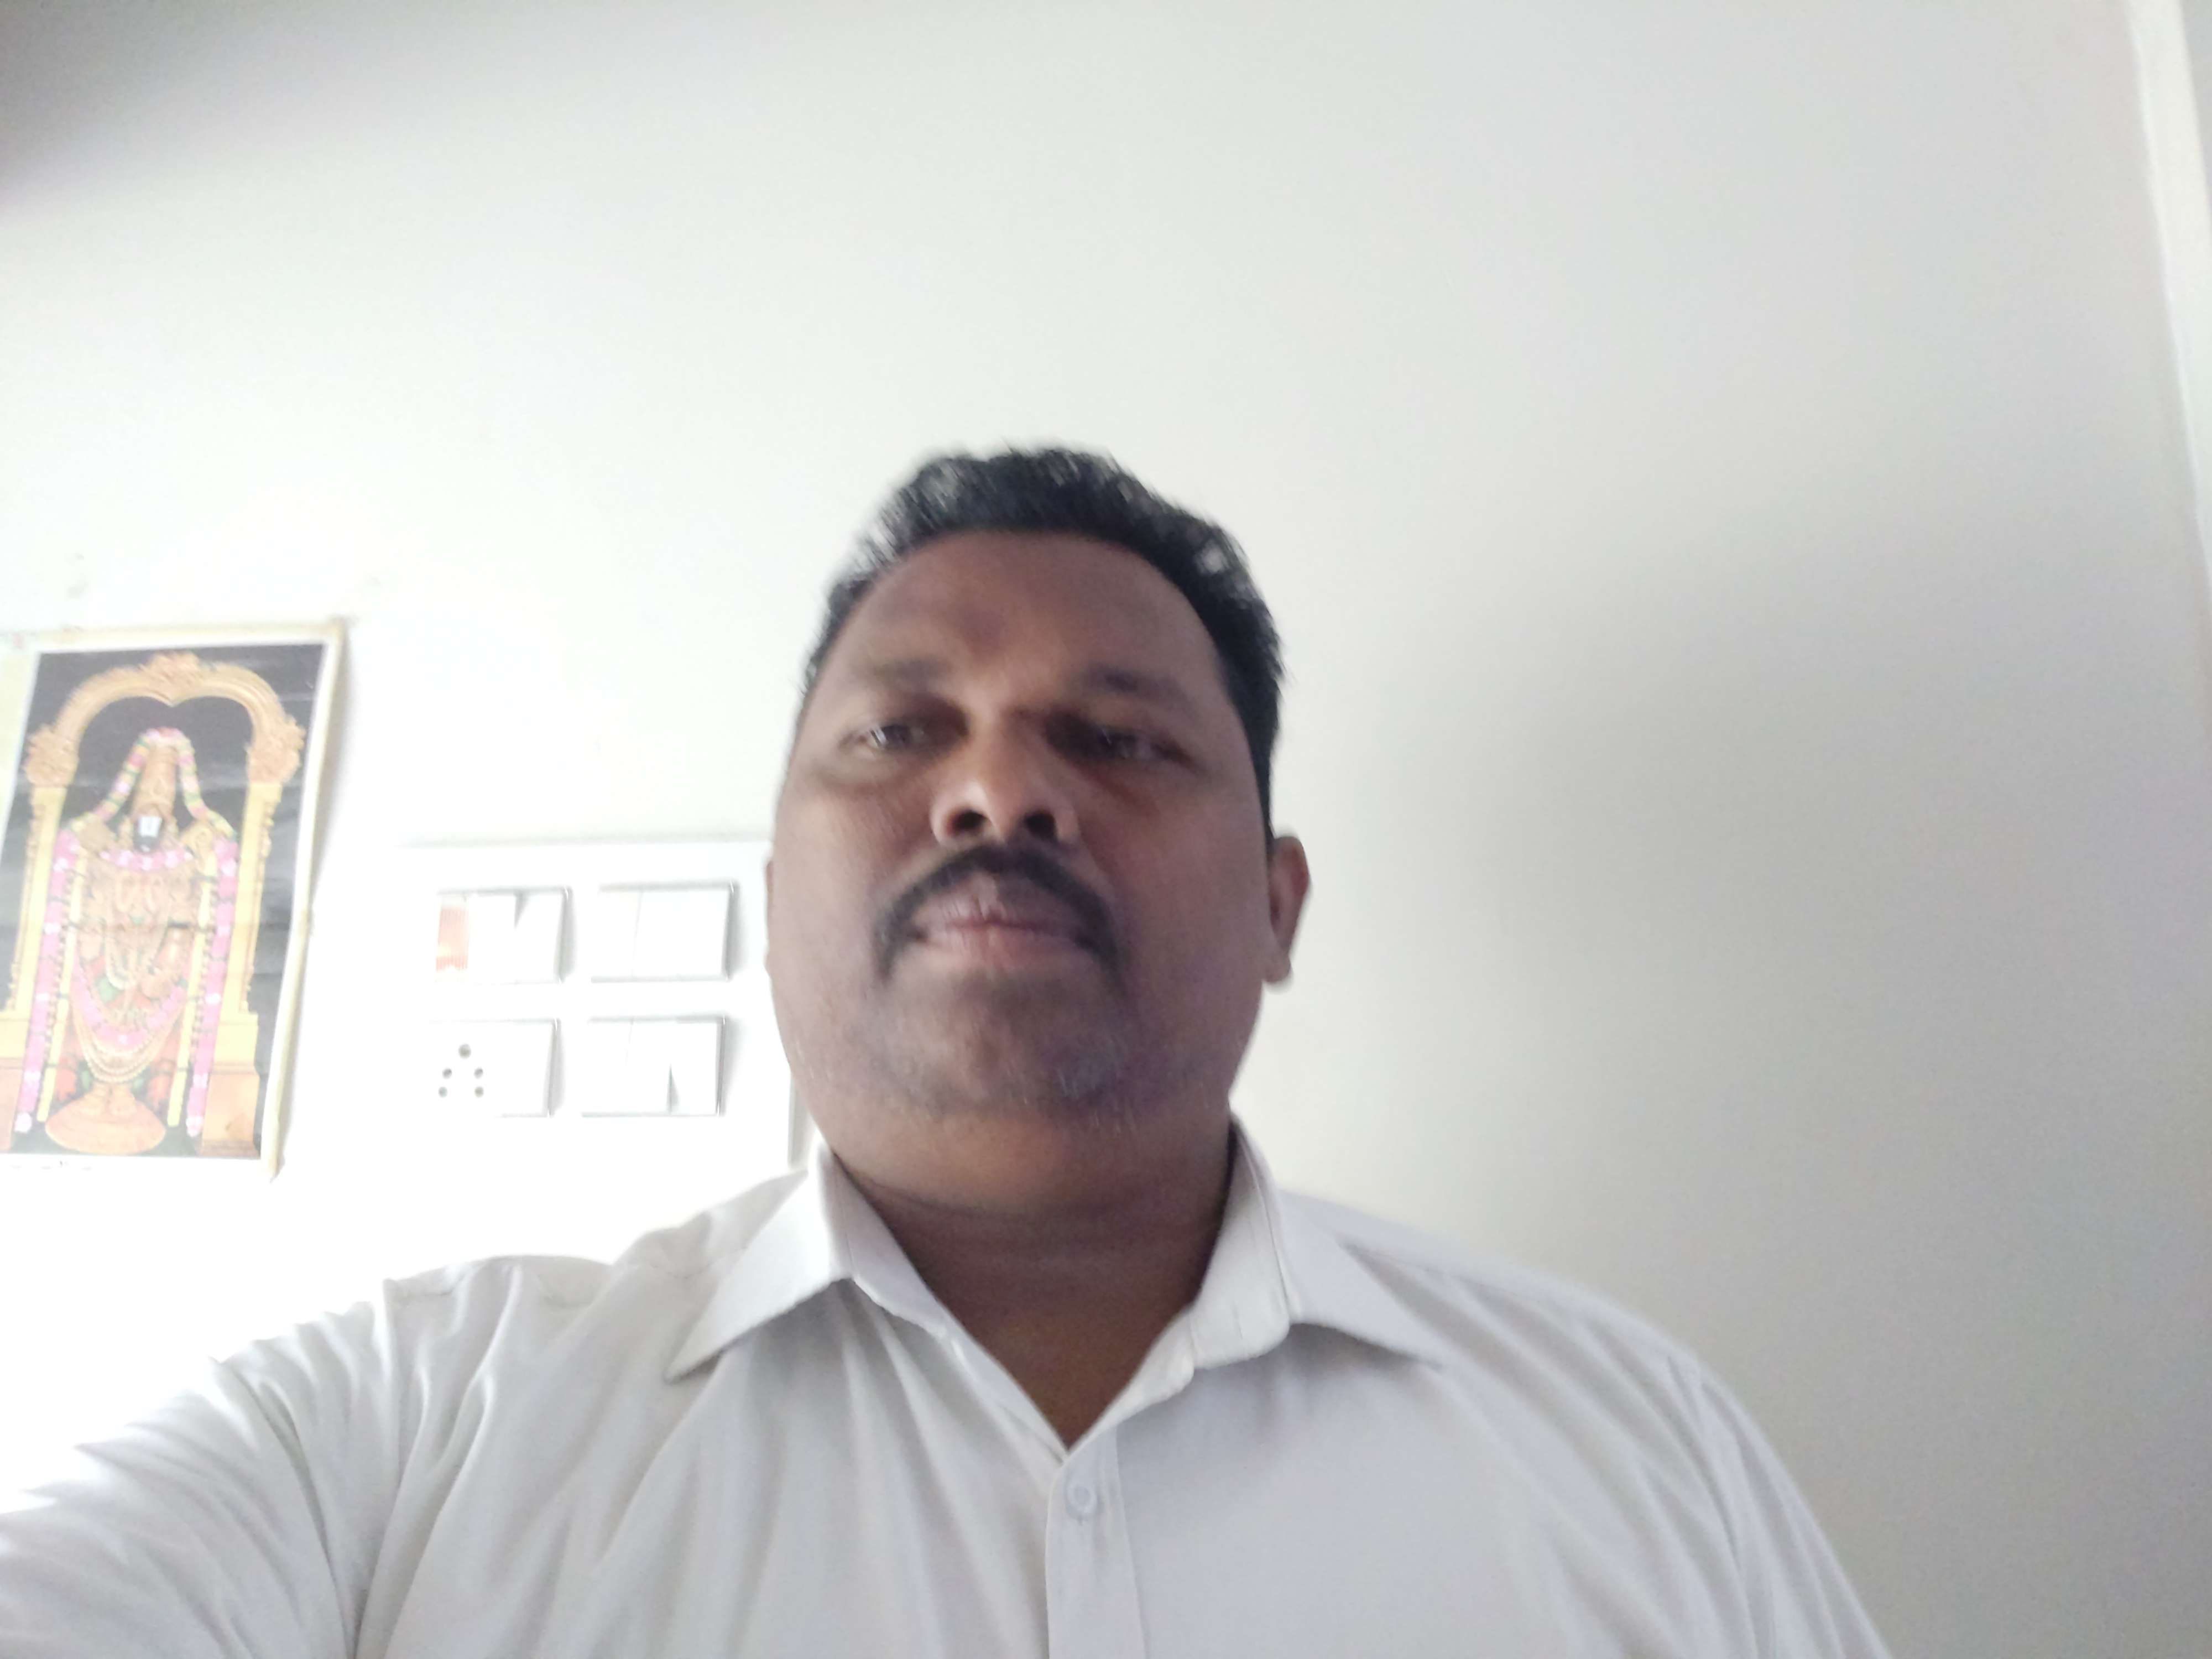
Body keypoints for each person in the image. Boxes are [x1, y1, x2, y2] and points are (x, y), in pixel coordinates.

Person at [0, 448, 1892, 1656]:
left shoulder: (1640, 1448)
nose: (999, 791)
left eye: (1121, 741)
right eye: (902, 735)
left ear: (1278, 905)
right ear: (776, 899)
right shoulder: (396, 1436)